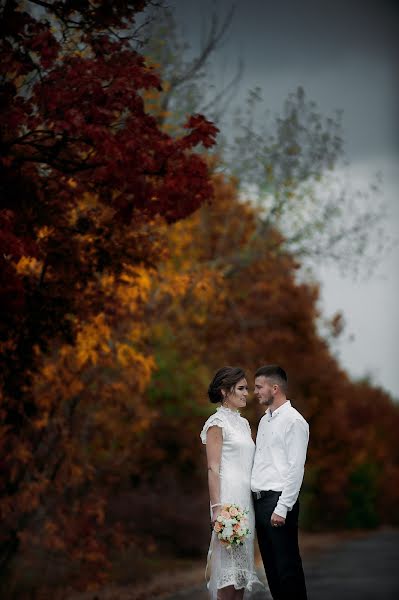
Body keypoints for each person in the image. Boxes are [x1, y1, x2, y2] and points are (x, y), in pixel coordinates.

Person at [200, 366, 264, 600]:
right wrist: (218, 509)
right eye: (241, 388)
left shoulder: (244, 424)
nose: (246, 393)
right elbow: (213, 468)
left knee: (240, 577)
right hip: (228, 503)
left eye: (246, 388)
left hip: (246, 503)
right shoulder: (216, 423)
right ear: (225, 391)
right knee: (227, 575)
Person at [251, 365, 309, 600]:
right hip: (260, 502)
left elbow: (296, 469)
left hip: (278, 502)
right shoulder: (265, 421)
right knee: (272, 571)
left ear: (274, 388)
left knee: (287, 570)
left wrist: (282, 508)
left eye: (258, 387)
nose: (255, 392)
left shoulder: (295, 422)